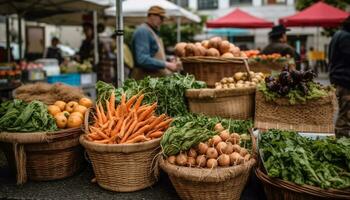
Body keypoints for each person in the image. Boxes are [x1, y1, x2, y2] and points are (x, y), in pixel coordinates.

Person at [130, 6, 179, 80]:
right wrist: (166, 64)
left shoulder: (151, 31)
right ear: (152, 16)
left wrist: (169, 58)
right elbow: (142, 59)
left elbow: (154, 55)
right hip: (144, 80)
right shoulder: (143, 31)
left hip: (153, 78)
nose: (162, 21)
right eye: (161, 18)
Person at [328, 16, 350, 138]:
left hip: (339, 78)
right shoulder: (346, 37)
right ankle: (343, 143)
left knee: (345, 112)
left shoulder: (339, 34)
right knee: (345, 115)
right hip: (345, 81)